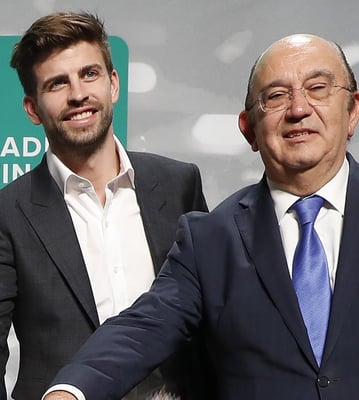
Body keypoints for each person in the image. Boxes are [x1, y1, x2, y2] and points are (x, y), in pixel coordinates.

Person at [44, 33, 359, 400]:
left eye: (318, 88)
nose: (298, 109)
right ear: (249, 129)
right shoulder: (209, 239)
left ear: (353, 110)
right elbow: (143, 328)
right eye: (275, 97)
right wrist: (72, 390)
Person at [0, 11, 211, 400]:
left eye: (89, 74)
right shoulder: (8, 212)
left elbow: (211, 316)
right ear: (32, 109)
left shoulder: (179, 183)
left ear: (113, 84)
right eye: (57, 83)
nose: (78, 94)